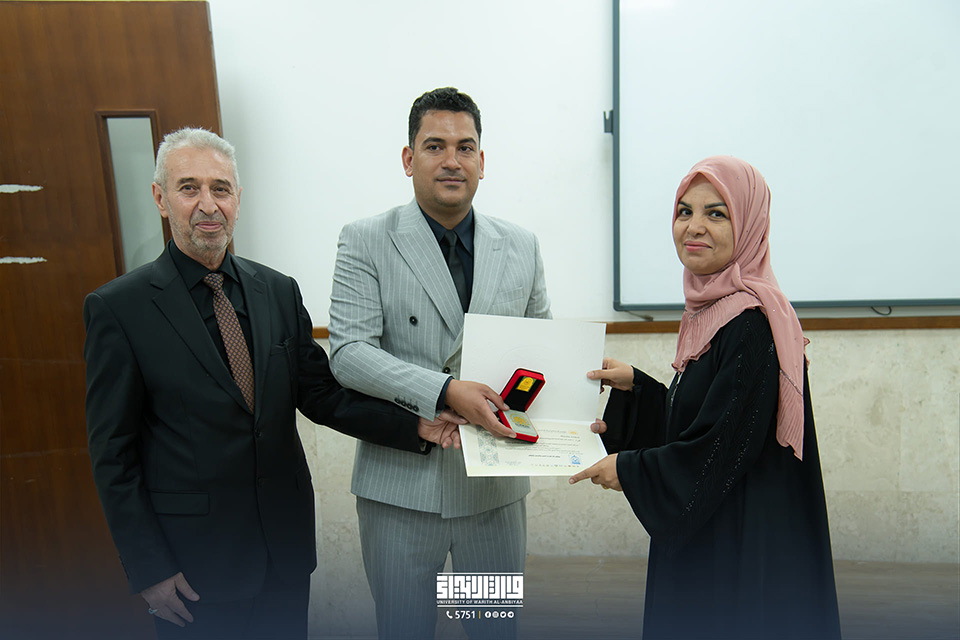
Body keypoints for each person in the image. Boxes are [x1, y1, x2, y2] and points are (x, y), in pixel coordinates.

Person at [84, 127, 464, 640]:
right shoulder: (119, 308)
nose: (208, 205)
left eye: (220, 189)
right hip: (193, 565)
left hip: (282, 553)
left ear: (238, 200)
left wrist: (417, 425)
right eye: (189, 188)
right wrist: (148, 566)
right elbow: (113, 453)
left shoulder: (277, 291)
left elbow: (322, 395)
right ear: (160, 198)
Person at [570, 155, 842, 639]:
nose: (693, 227)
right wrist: (640, 388)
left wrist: (629, 469)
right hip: (721, 541)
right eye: (684, 211)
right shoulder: (714, 313)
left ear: (749, 225)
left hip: (738, 560)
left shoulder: (751, 325)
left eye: (717, 213)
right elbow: (713, 418)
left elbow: (718, 447)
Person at [327, 87, 551, 639]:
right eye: (435, 146)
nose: (452, 160)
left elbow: (541, 351)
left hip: (492, 492)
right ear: (409, 159)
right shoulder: (365, 240)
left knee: (492, 629)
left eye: (465, 147)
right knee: (403, 629)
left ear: (482, 161)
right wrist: (446, 390)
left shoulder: (521, 246)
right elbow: (349, 354)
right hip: (399, 489)